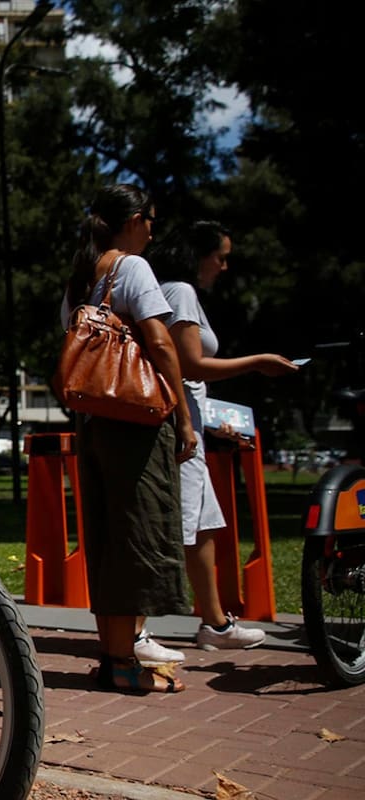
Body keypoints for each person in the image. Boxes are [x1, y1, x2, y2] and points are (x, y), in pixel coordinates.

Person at [61, 183, 198, 694]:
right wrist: (182, 415)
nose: (153, 230)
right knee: (137, 537)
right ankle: (123, 664)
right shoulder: (132, 268)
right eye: (150, 220)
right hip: (136, 422)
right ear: (134, 220)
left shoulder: (79, 280)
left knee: (106, 538)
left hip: (94, 422)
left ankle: (112, 657)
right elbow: (160, 342)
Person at [154, 221, 297, 650]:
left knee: (203, 525)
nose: (224, 265)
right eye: (220, 256)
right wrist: (257, 362)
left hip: (191, 424)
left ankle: (214, 623)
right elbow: (190, 364)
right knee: (177, 527)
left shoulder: (176, 291)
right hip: (181, 428)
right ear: (199, 255)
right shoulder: (180, 291)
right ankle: (138, 626)